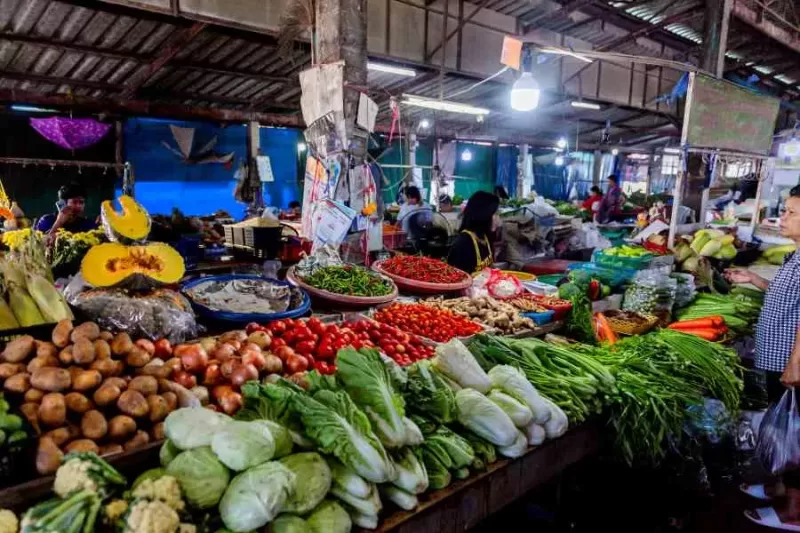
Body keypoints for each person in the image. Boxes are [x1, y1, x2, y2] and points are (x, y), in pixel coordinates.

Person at [731, 186, 800, 530]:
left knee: (796, 432)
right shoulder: (796, 254)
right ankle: (777, 486)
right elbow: (788, 296)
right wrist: (753, 278)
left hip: (790, 358)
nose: (782, 217)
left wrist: (796, 361)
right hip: (776, 356)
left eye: (791, 212)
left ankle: (793, 511)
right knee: (778, 428)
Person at [447, 191, 499, 274]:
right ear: (484, 215)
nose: (498, 218)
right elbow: (455, 279)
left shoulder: (485, 237)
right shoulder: (463, 243)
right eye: (495, 214)